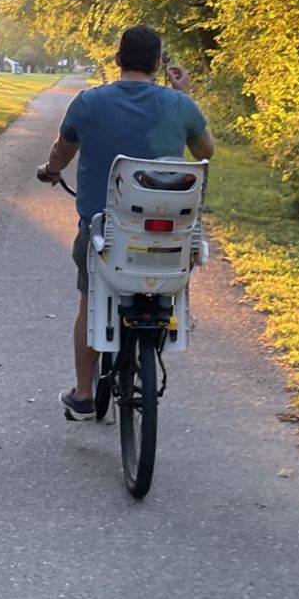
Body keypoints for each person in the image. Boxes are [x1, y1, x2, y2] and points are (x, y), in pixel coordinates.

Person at [36, 24, 214, 420]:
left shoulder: (89, 102)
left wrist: (50, 170)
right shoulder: (178, 104)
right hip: (167, 233)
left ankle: (83, 395)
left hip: (106, 234)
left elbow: (62, 151)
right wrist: (185, 96)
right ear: (157, 63)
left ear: (118, 59)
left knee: (90, 299)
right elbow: (206, 151)